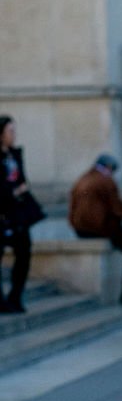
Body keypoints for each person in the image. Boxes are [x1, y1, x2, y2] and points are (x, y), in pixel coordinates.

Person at [69, 155, 122, 305]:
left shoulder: (82, 179)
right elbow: (117, 208)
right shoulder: (105, 181)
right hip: (101, 227)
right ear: (109, 168)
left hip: (80, 228)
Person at [0, 115, 35, 313]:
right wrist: (14, 191)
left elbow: (22, 179)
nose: (14, 135)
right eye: (10, 131)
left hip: (18, 214)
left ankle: (16, 296)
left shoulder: (15, 155)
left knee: (24, 254)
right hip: (2, 214)